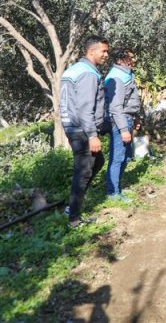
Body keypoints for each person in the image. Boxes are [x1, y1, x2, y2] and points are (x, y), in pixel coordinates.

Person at [60, 35, 109, 228]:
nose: (106, 55)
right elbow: (85, 108)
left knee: (97, 162)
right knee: (83, 172)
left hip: (73, 127)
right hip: (82, 130)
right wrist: (92, 135)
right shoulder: (88, 74)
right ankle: (74, 218)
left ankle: (73, 207)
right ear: (91, 51)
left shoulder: (74, 70)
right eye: (103, 51)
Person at [104, 48, 141, 202]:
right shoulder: (116, 76)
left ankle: (117, 188)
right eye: (130, 58)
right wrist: (123, 129)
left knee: (126, 157)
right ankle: (113, 193)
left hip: (128, 118)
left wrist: (137, 118)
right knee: (118, 157)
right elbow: (115, 107)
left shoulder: (127, 73)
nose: (134, 61)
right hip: (120, 121)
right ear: (121, 60)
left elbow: (132, 99)